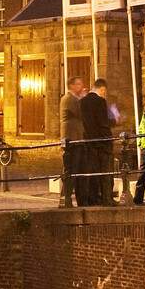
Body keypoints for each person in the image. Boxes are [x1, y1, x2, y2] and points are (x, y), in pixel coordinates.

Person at [80, 79, 116, 204]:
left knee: (92, 172)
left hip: (88, 141)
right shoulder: (100, 101)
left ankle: (93, 198)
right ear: (102, 89)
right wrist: (109, 139)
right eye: (104, 92)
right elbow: (103, 123)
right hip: (102, 142)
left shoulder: (82, 102)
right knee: (106, 171)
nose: (104, 94)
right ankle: (107, 198)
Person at [60, 76, 87, 207]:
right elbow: (81, 113)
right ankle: (65, 198)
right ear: (71, 86)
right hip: (72, 138)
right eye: (78, 84)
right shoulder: (69, 99)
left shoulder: (73, 99)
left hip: (76, 138)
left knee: (74, 169)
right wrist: (83, 98)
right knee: (70, 169)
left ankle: (68, 198)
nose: (81, 86)